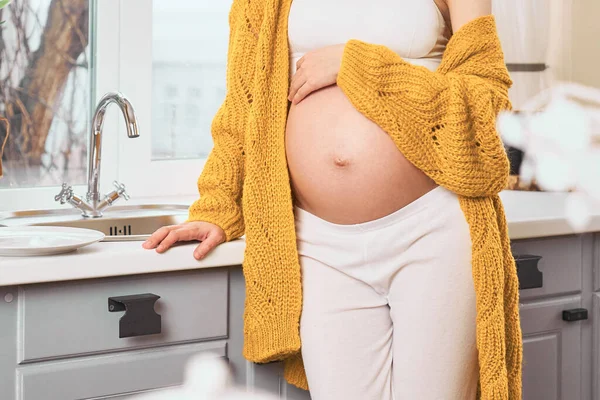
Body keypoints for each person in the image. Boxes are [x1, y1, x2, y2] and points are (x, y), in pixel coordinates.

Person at [144, 0, 523, 399]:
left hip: (431, 228)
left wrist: (357, 65)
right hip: (318, 245)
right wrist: (218, 206)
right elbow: (244, 107)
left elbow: (487, 108)